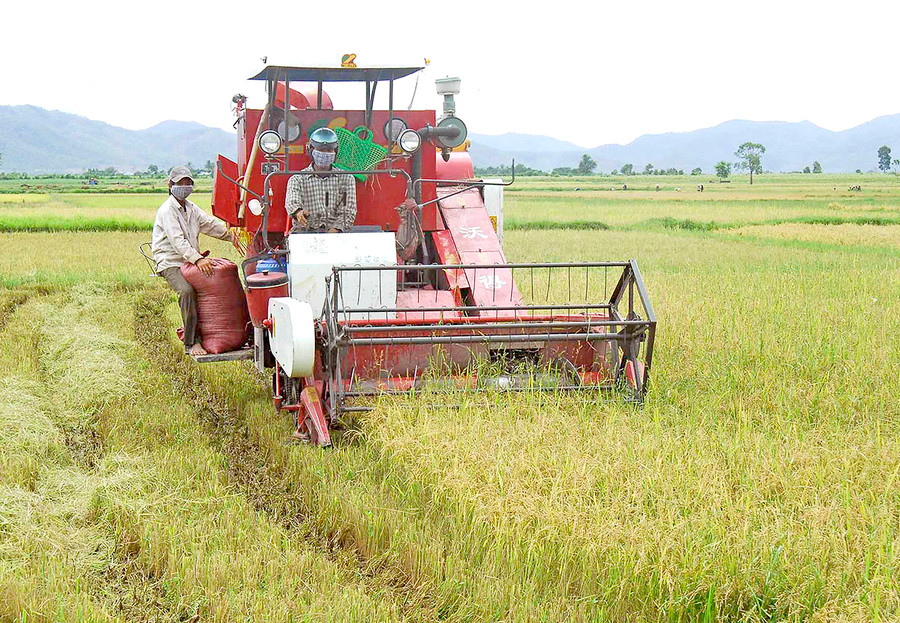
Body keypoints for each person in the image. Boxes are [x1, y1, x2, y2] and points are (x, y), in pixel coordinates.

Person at [152, 166, 232, 356]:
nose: (185, 186)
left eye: (188, 183)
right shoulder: (167, 210)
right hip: (170, 262)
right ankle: (191, 342)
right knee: (187, 291)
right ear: (171, 185)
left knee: (214, 284)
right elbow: (177, 241)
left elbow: (209, 225)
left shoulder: (191, 207)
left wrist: (233, 236)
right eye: (181, 183)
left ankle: (210, 333)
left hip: (189, 261)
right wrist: (197, 260)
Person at [285, 127, 357, 233]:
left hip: (336, 234)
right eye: (321, 150)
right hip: (305, 231)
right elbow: (292, 202)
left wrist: (335, 230)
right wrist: (299, 213)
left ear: (335, 152)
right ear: (311, 150)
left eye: (329, 150)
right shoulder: (297, 179)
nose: (325, 153)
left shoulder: (347, 178)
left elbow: (348, 211)